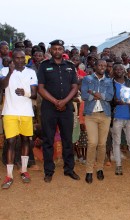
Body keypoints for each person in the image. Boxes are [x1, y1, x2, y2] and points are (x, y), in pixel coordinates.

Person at [37, 39, 80, 183]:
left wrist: (64, 101)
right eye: (54, 49)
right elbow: (41, 88)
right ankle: (49, 171)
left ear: (63, 51)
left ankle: (69, 169)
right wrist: (56, 102)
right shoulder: (44, 66)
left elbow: (74, 87)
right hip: (49, 107)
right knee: (48, 140)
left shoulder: (70, 66)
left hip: (66, 107)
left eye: (59, 49)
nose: (57, 51)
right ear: (50, 51)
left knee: (67, 139)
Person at [0, 49, 38, 189]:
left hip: (26, 112)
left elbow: (34, 94)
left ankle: (24, 170)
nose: (20, 60)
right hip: (10, 112)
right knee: (10, 141)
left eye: (23, 58)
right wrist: (10, 72)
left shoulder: (31, 72)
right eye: (17, 58)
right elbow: (2, 86)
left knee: (25, 140)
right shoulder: (5, 70)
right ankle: (9, 175)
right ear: (12, 58)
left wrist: (25, 93)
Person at [81, 59, 114, 183]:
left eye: (104, 65)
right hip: (91, 115)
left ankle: (100, 168)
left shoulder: (109, 81)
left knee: (102, 144)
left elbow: (110, 97)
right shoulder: (87, 79)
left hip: (105, 115)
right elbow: (84, 95)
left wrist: (94, 93)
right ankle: (89, 170)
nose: (102, 67)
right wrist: (99, 95)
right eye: (100, 65)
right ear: (95, 66)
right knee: (92, 143)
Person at [111, 64, 130, 175]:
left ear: (124, 71)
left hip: (129, 117)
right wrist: (115, 102)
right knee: (116, 142)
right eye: (116, 69)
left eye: (121, 69)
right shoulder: (110, 84)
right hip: (116, 117)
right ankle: (118, 166)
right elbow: (108, 100)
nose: (119, 71)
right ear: (113, 71)